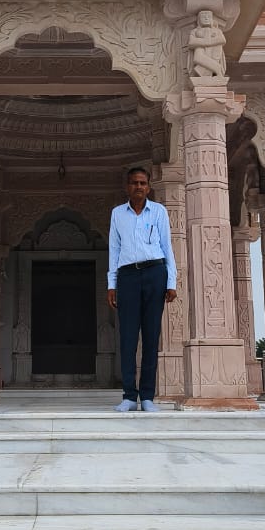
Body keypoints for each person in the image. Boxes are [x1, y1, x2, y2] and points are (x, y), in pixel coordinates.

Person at [108, 167, 177, 412]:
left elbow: (167, 247)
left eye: (142, 183)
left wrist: (171, 282)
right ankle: (129, 396)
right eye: (134, 183)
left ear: (149, 187)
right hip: (127, 275)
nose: (138, 186)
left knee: (150, 336)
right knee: (127, 337)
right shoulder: (118, 214)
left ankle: (147, 396)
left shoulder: (158, 211)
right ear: (127, 186)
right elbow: (114, 250)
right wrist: (111, 284)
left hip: (154, 272)